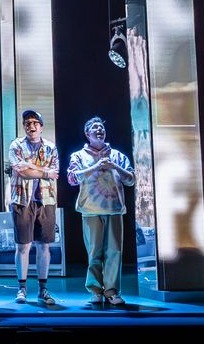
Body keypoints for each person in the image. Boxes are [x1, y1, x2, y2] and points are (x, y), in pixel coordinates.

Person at [66, 116, 135, 306]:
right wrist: (95, 166)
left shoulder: (118, 156)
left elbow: (131, 179)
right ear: (87, 134)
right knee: (94, 252)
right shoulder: (79, 156)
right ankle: (96, 290)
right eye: (95, 128)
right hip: (90, 209)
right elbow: (72, 178)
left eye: (101, 128)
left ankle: (112, 291)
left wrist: (114, 166)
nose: (99, 131)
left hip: (114, 210)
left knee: (114, 252)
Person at [6, 109, 59, 305]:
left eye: (35, 123)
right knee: (23, 246)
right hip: (22, 200)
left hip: (46, 200)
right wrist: (44, 171)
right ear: (24, 127)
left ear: (41, 127)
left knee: (44, 246)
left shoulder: (51, 147)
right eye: (27, 123)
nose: (31, 126)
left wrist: (33, 167)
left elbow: (56, 171)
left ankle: (43, 289)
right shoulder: (16, 145)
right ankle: (22, 288)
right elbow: (21, 171)